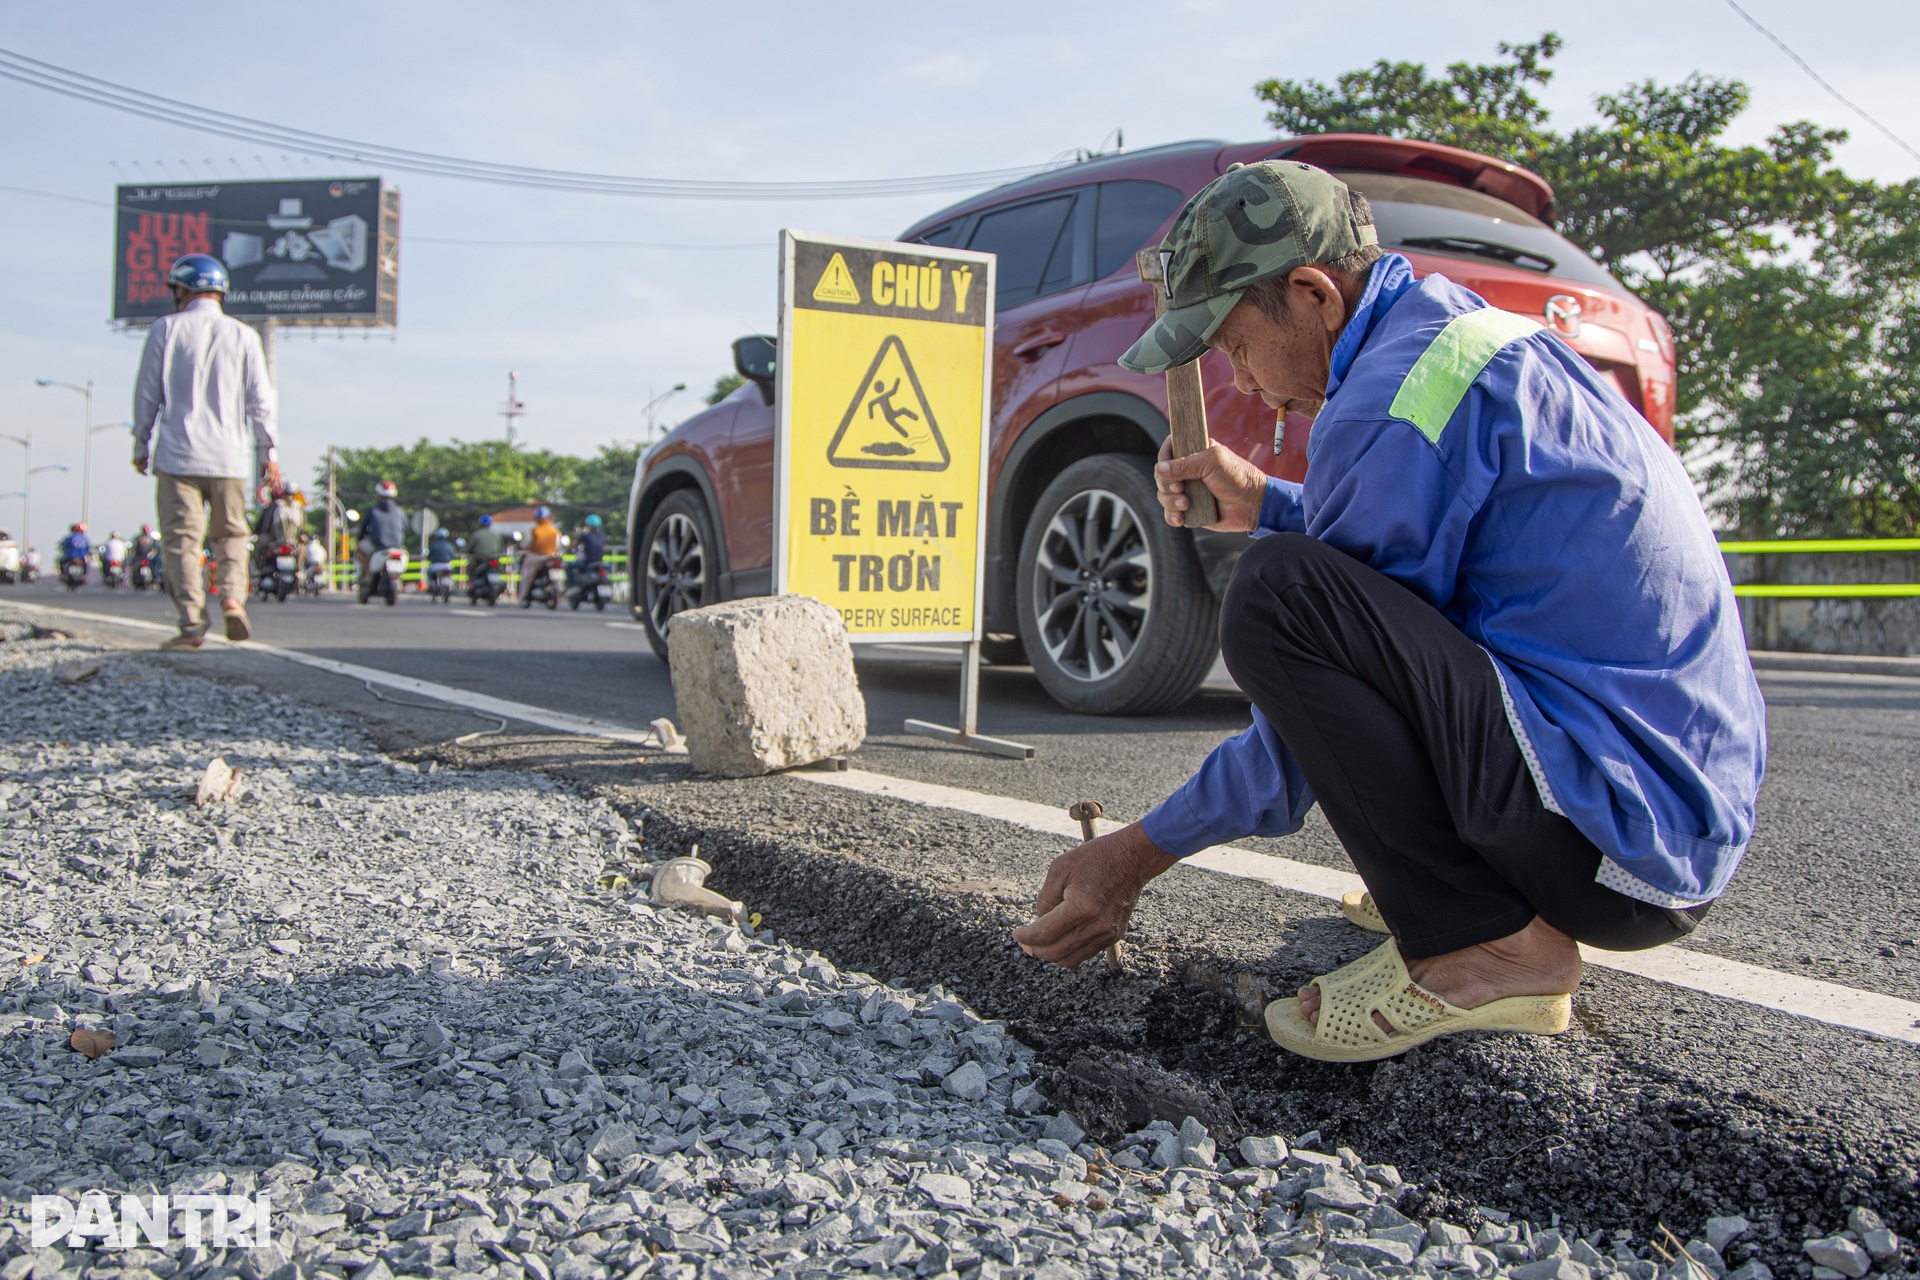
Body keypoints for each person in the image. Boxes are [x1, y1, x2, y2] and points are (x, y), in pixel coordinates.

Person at [1011, 161, 1766, 1063]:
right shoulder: (1447, 340)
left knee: (1276, 597)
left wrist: (1132, 856)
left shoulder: (1387, 410)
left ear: (1312, 293)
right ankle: (1481, 888)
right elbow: (1414, 567)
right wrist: (1266, 498)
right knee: (1299, 577)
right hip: (1668, 817)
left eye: (1237, 345)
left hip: (1621, 855)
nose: (1239, 382)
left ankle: (1487, 946)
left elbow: (1318, 704)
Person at [132, 253, 278, 650]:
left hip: (178, 456)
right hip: (230, 457)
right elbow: (261, 401)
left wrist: (141, 441)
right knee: (231, 534)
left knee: (182, 540)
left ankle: (193, 626)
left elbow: (148, 393)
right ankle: (233, 598)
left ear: (181, 290)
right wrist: (269, 453)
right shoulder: (244, 335)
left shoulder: (166, 329)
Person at [357, 480, 408, 577]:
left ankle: (367, 575)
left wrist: (359, 538)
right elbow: (406, 527)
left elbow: (363, 527)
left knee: (360, 548)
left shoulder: (372, 510)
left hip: (377, 544)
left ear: (378, 495)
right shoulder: (400, 511)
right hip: (397, 546)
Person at [521, 505, 560, 599]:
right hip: (551, 556)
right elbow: (558, 545)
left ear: (537, 518)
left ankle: (523, 595)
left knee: (526, 573)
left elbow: (525, 544)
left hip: (535, 556)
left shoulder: (534, 530)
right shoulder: (555, 531)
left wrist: (521, 546)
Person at [570, 512, 607, 587]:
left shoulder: (585, 535)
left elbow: (575, 545)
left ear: (588, 525)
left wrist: (570, 548)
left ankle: (570, 586)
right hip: (600, 562)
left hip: (588, 562)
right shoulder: (603, 535)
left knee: (569, 565)